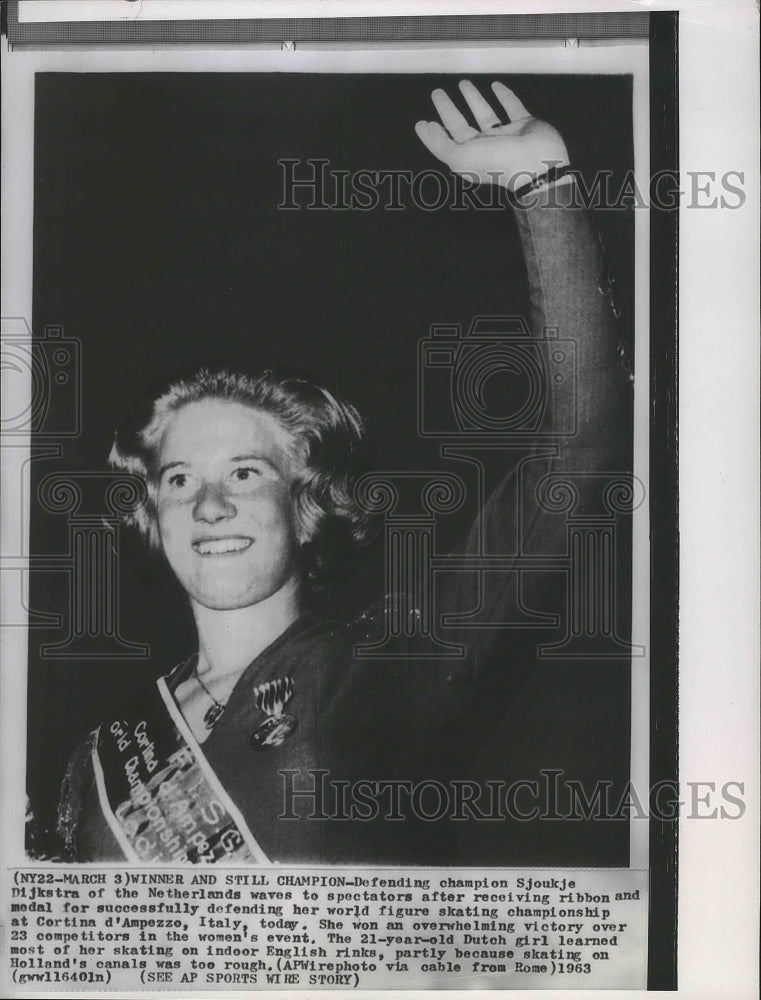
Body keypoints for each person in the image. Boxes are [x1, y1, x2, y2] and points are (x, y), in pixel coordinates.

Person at [55, 81, 632, 865]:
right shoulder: (99, 756)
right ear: (152, 514)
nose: (211, 504)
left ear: (306, 504)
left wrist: (541, 185)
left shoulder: (390, 669)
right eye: (181, 479)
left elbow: (577, 450)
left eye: (248, 472)